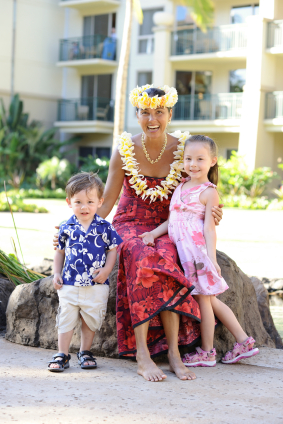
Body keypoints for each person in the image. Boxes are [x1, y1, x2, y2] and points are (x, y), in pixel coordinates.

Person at [53, 85, 223, 382]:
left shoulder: (184, 151)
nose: (152, 118)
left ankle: (173, 352)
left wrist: (213, 212)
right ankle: (143, 355)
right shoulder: (125, 149)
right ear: (137, 114)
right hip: (129, 223)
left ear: (170, 114)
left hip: (168, 225)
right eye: (145, 112)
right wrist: (73, 228)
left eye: (159, 112)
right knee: (143, 257)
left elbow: (201, 188)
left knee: (168, 259)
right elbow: (104, 201)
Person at [139, 135, 259, 367]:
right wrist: (154, 234)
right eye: (188, 158)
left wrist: (211, 258)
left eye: (200, 159)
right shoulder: (181, 186)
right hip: (186, 256)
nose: (193, 164)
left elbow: (209, 229)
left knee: (205, 303)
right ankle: (243, 341)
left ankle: (207, 352)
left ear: (213, 161)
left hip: (197, 256)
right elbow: (173, 220)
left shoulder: (208, 192)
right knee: (211, 301)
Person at [48, 172, 123, 372]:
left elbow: (112, 251)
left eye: (90, 201)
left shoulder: (105, 227)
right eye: (78, 202)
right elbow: (59, 252)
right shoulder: (66, 226)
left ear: (100, 201)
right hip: (69, 282)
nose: (84, 207)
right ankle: (62, 354)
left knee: (90, 318)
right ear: (69, 202)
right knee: (66, 318)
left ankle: (85, 351)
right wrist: (56, 273)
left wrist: (107, 270)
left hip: (96, 283)